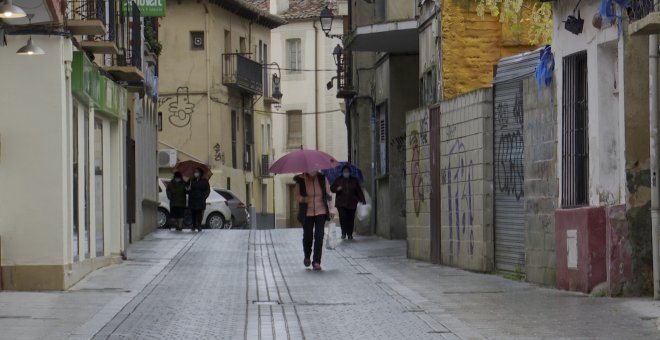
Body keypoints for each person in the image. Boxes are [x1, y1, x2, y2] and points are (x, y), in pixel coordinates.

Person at [294, 170, 334, 271]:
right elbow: (296, 196)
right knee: (308, 236)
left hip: (321, 211)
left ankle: (316, 261)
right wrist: (304, 199)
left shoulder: (322, 178)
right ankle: (307, 256)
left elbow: (328, 194)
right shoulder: (301, 180)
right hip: (307, 212)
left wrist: (331, 209)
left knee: (319, 235)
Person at [331, 165, 366, 240]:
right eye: (344, 171)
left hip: (352, 202)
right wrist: (337, 189)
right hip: (341, 203)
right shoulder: (338, 180)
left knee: (350, 218)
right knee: (343, 217)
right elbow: (332, 188)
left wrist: (362, 200)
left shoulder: (354, 180)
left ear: (350, 172)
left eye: (347, 171)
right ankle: (343, 232)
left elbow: (359, 191)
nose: (346, 173)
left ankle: (349, 233)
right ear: (342, 172)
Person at [187, 167, 210, 232]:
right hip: (193, 200)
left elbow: (207, 190)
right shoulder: (191, 180)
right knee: (193, 214)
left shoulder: (204, 181)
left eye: (197, 172)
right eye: (195, 172)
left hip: (200, 200)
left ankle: (199, 225)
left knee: (199, 213)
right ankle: (194, 226)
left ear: (200, 173)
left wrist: (204, 196)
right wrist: (188, 189)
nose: (195, 173)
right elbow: (187, 189)